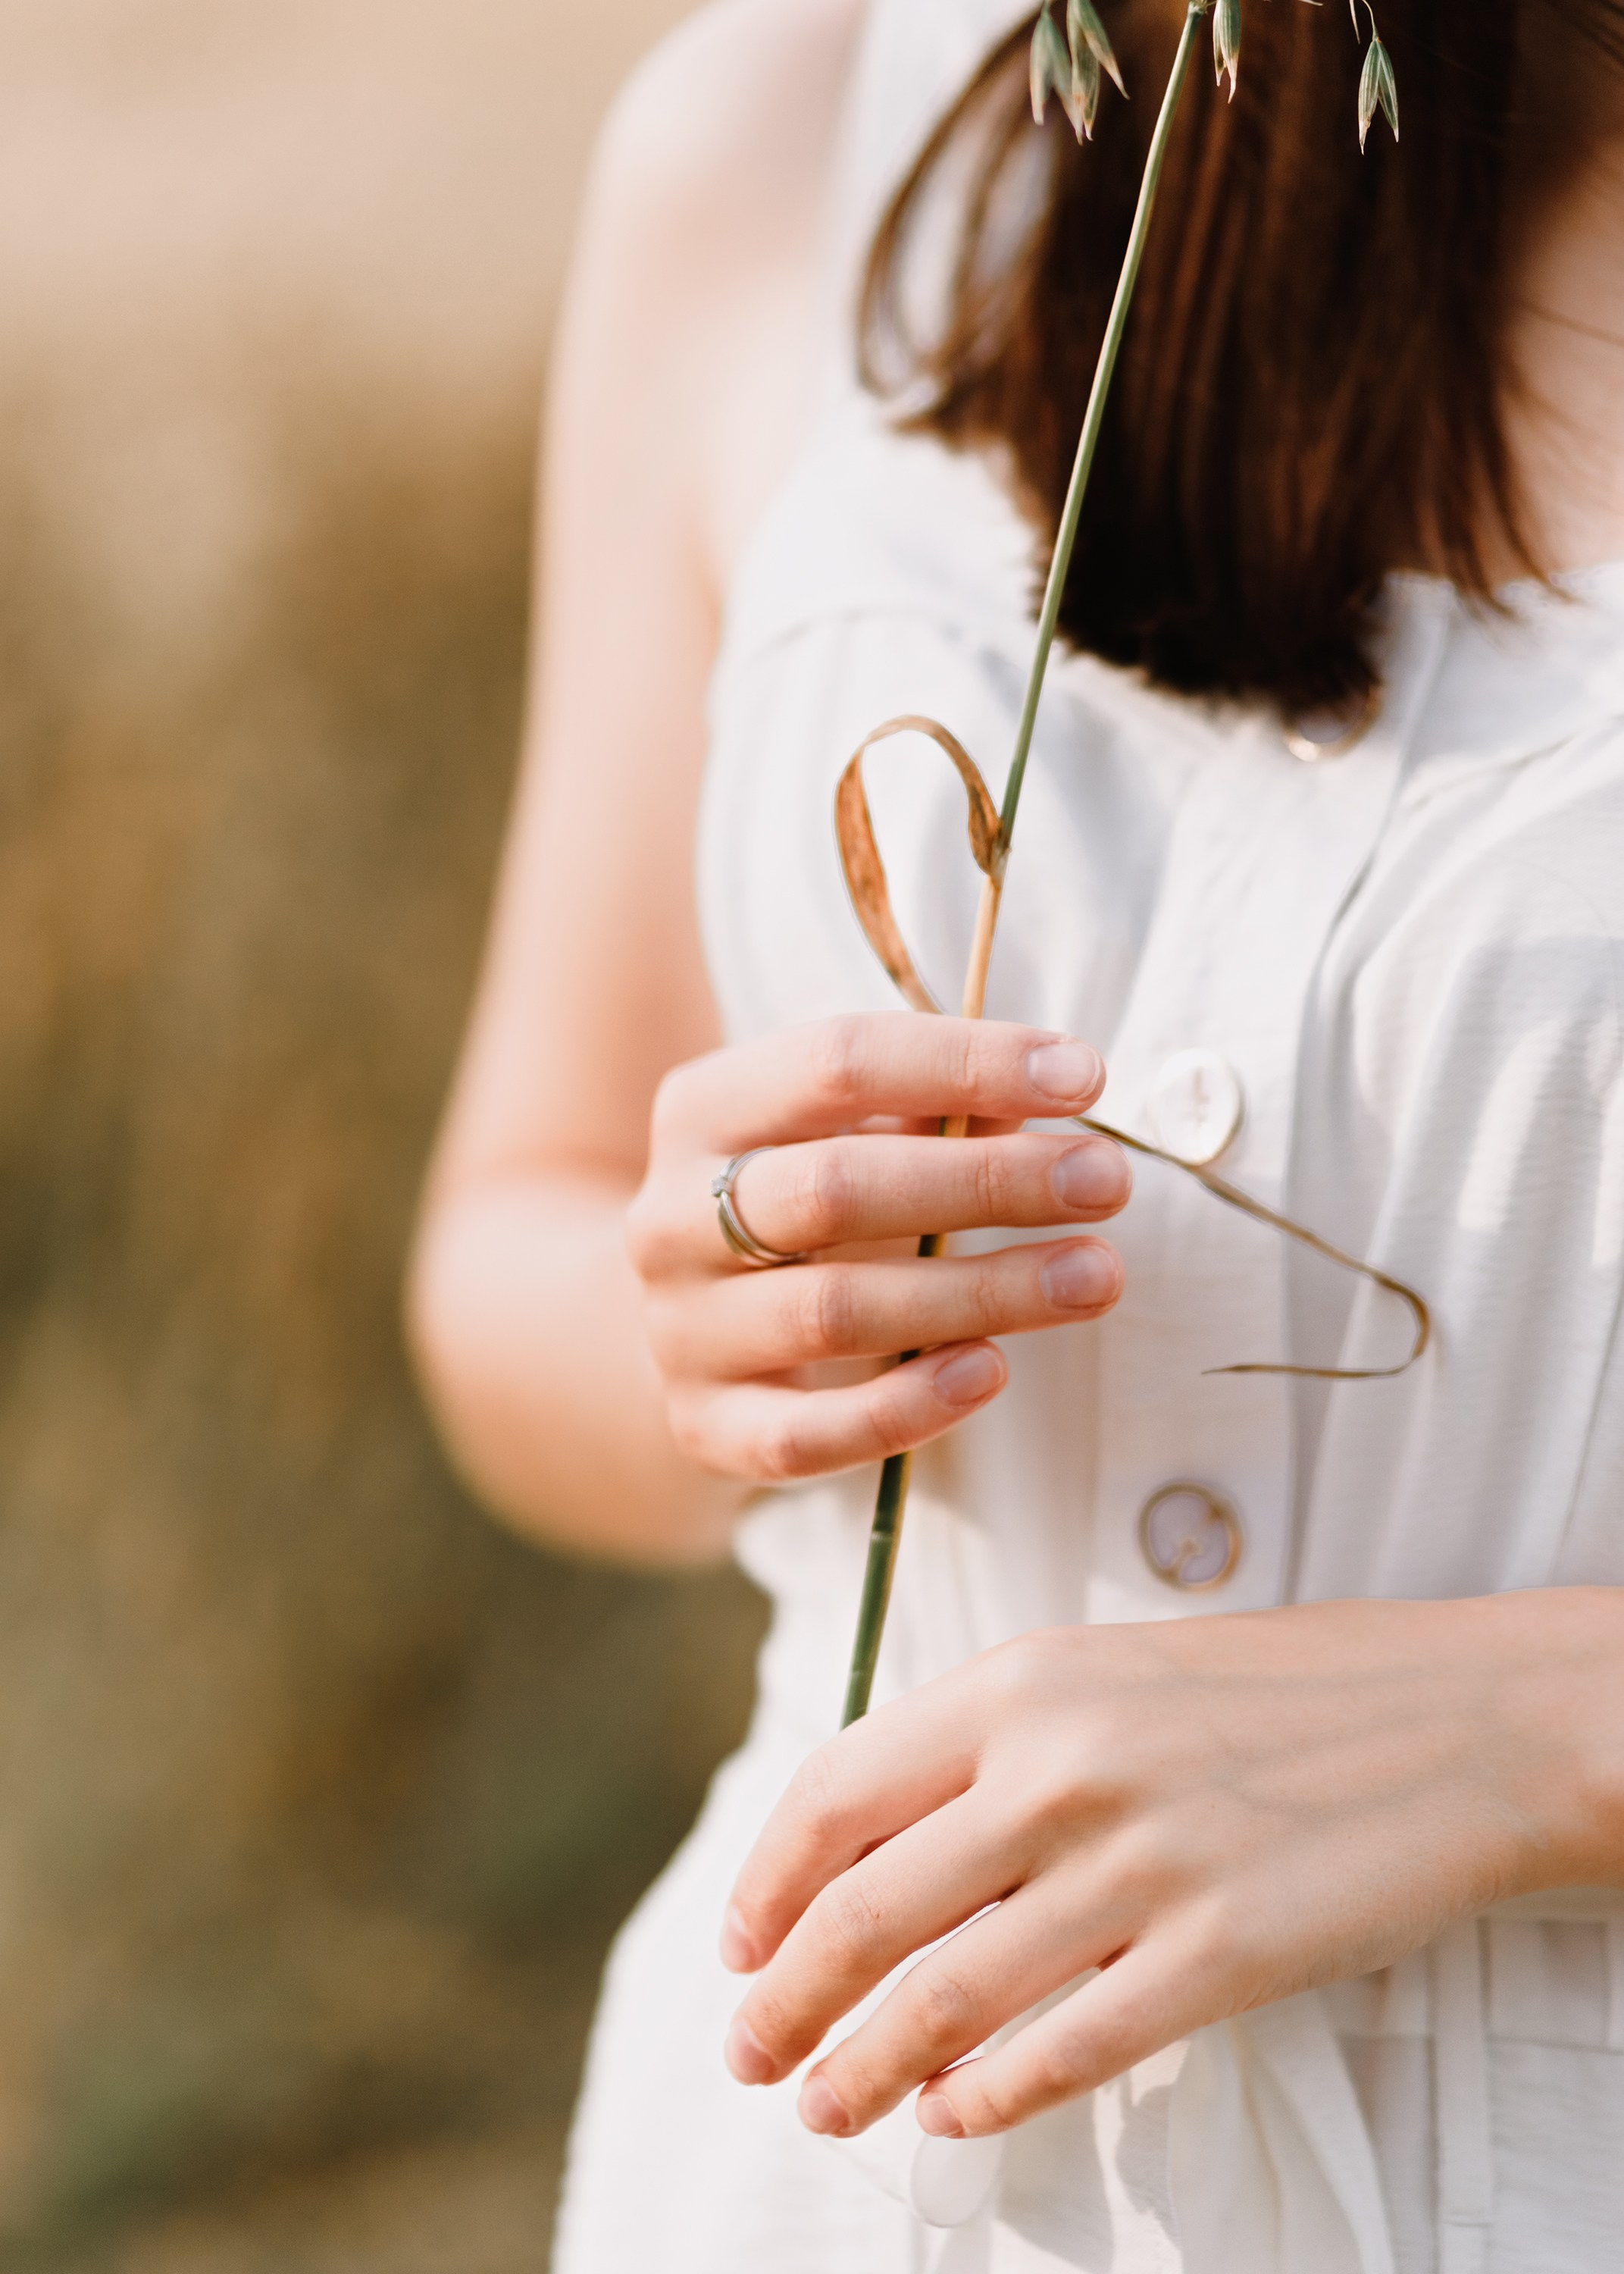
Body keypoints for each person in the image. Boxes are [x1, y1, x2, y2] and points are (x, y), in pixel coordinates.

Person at [408, 0, 1624, 2263]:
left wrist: (1535, 1731)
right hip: (826, 2169)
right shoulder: (792, 137)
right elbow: (512, 1245)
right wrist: (713, 1333)